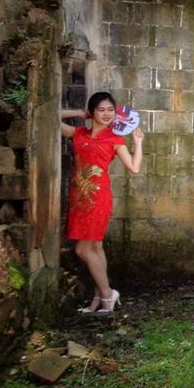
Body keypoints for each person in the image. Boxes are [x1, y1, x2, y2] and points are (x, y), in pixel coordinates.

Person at [61, 92, 144, 314]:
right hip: (78, 199)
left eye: (110, 110)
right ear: (92, 112)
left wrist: (137, 143)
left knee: (82, 249)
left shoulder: (115, 138)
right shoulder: (78, 133)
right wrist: (80, 113)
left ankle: (107, 293)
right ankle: (99, 297)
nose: (107, 114)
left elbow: (134, 168)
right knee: (95, 247)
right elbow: (50, 116)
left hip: (98, 199)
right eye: (101, 110)